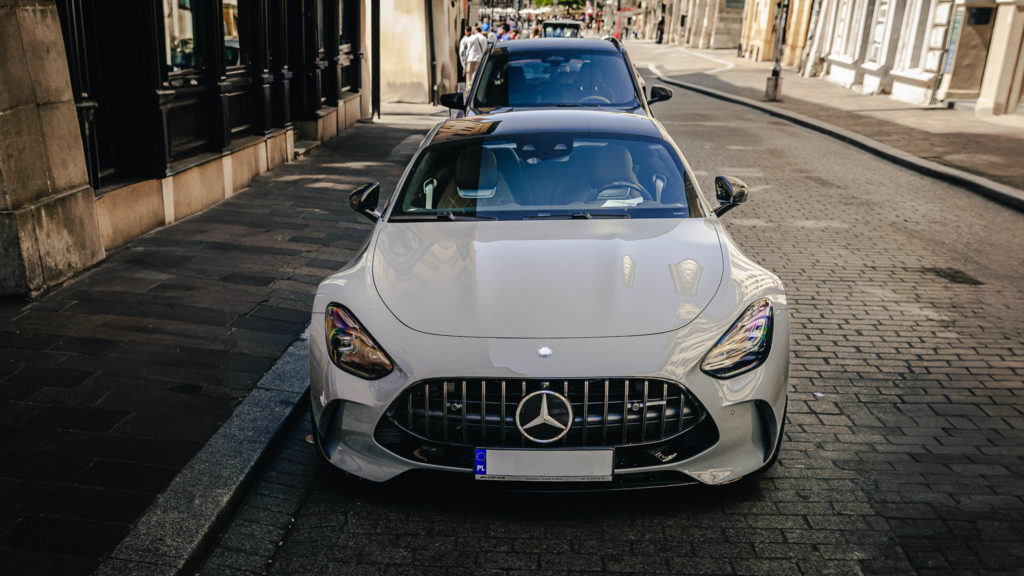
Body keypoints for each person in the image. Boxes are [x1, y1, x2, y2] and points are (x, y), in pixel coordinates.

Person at [462, 25, 487, 101]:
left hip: (470, 58)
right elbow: (485, 49)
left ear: (476, 30)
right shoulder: (483, 38)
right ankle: (474, 89)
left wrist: (465, 61)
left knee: (468, 76)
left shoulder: (471, 38)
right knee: (475, 75)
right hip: (479, 58)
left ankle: (468, 91)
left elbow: (467, 50)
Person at [457, 26, 472, 94]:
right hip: (467, 62)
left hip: (465, 62)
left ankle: (463, 94)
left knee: (464, 80)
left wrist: (464, 66)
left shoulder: (465, 40)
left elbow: (462, 53)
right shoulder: (469, 39)